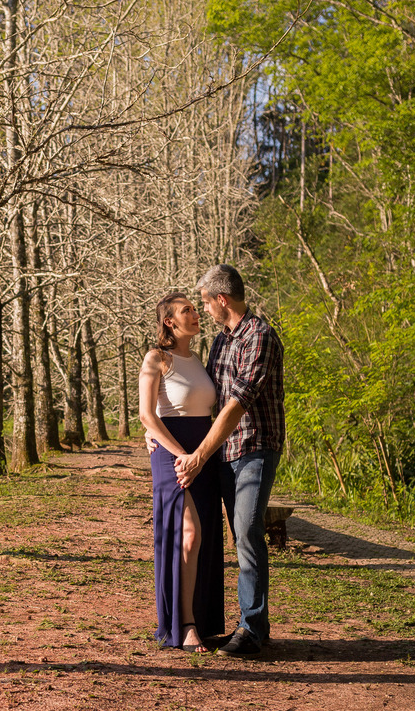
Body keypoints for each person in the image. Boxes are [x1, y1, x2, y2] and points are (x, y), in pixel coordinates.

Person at [172, 264, 285, 657]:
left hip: (255, 448)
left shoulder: (260, 336)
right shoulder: (221, 341)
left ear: (221, 299)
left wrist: (199, 455)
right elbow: (204, 396)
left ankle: (252, 629)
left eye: (205, 302)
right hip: (222, 451)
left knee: (248, 530)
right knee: (234, 536)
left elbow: (236, 405)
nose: (203, 309)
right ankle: (246, 626)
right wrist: (156, 426)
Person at [138, 292, 224, 653]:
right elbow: (147, 415)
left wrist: (200, 457)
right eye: (186, 310)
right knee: (188, 535)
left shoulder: (201, 360)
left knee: (203, 539)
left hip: (204, 455)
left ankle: (202, 620)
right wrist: (183, 456)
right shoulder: (156, 358)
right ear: (169, 322)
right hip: (173, 456)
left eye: (194, 308)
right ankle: (184, 624)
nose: (195, 313)